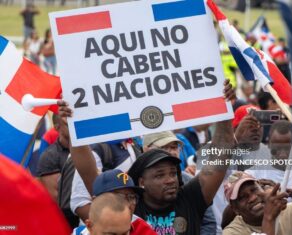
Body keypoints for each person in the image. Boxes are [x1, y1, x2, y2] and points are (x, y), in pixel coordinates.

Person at [58, 79, 236, 234]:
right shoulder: (130, 206)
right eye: (160, 175)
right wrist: (74, 125)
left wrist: (223, 108)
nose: (170, 180)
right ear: (141, 182)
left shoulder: (191, 198)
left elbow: (221, 152)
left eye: (173, 173)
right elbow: (87, 170)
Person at [142, 131, 217, 235]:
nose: (171, 152)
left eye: (174, 147)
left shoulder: (189, 181)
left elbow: (208, 223)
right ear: (146, 150)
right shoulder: (133, 186)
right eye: (163, 147)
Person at [72, 169, 157, 235]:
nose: (127, 204)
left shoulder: (142, 229)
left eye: (131, 197)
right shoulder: (79, 233)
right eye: (118, 197)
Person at [223, 171, 292, 235]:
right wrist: (269, 217)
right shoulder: (231, 233)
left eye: (254, 190)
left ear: (262, 188)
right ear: (235, 209)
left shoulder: (290, 211)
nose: (253, 198)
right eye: (243, 197)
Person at [246, 120, 292, 189]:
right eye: (277, 147)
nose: (282, 153)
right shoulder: (255, 172)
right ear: (269, 144)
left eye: (287, 147)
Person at [37, 115, 70, 201]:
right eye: (68, 123)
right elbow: (55, 197)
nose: (73, 125)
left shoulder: (94, 147)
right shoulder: (49, 156)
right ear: (57, 127)